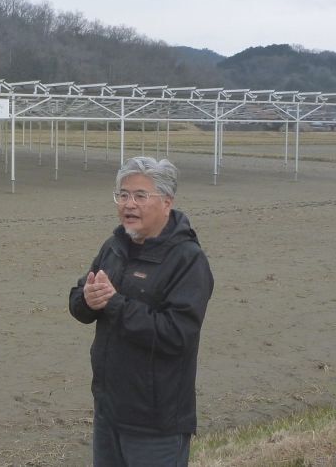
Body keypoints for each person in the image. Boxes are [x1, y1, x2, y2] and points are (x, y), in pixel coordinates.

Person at [69, 156, 214, 467]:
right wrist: (86, 299)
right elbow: (80, 301)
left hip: (156, 424)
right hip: (109, 412)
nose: (128, 204)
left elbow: (177, 335)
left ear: (166, 202)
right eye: (122, 195)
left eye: (140, 195)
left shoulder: (187, 260)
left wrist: (115, 304)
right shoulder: (114, 246)